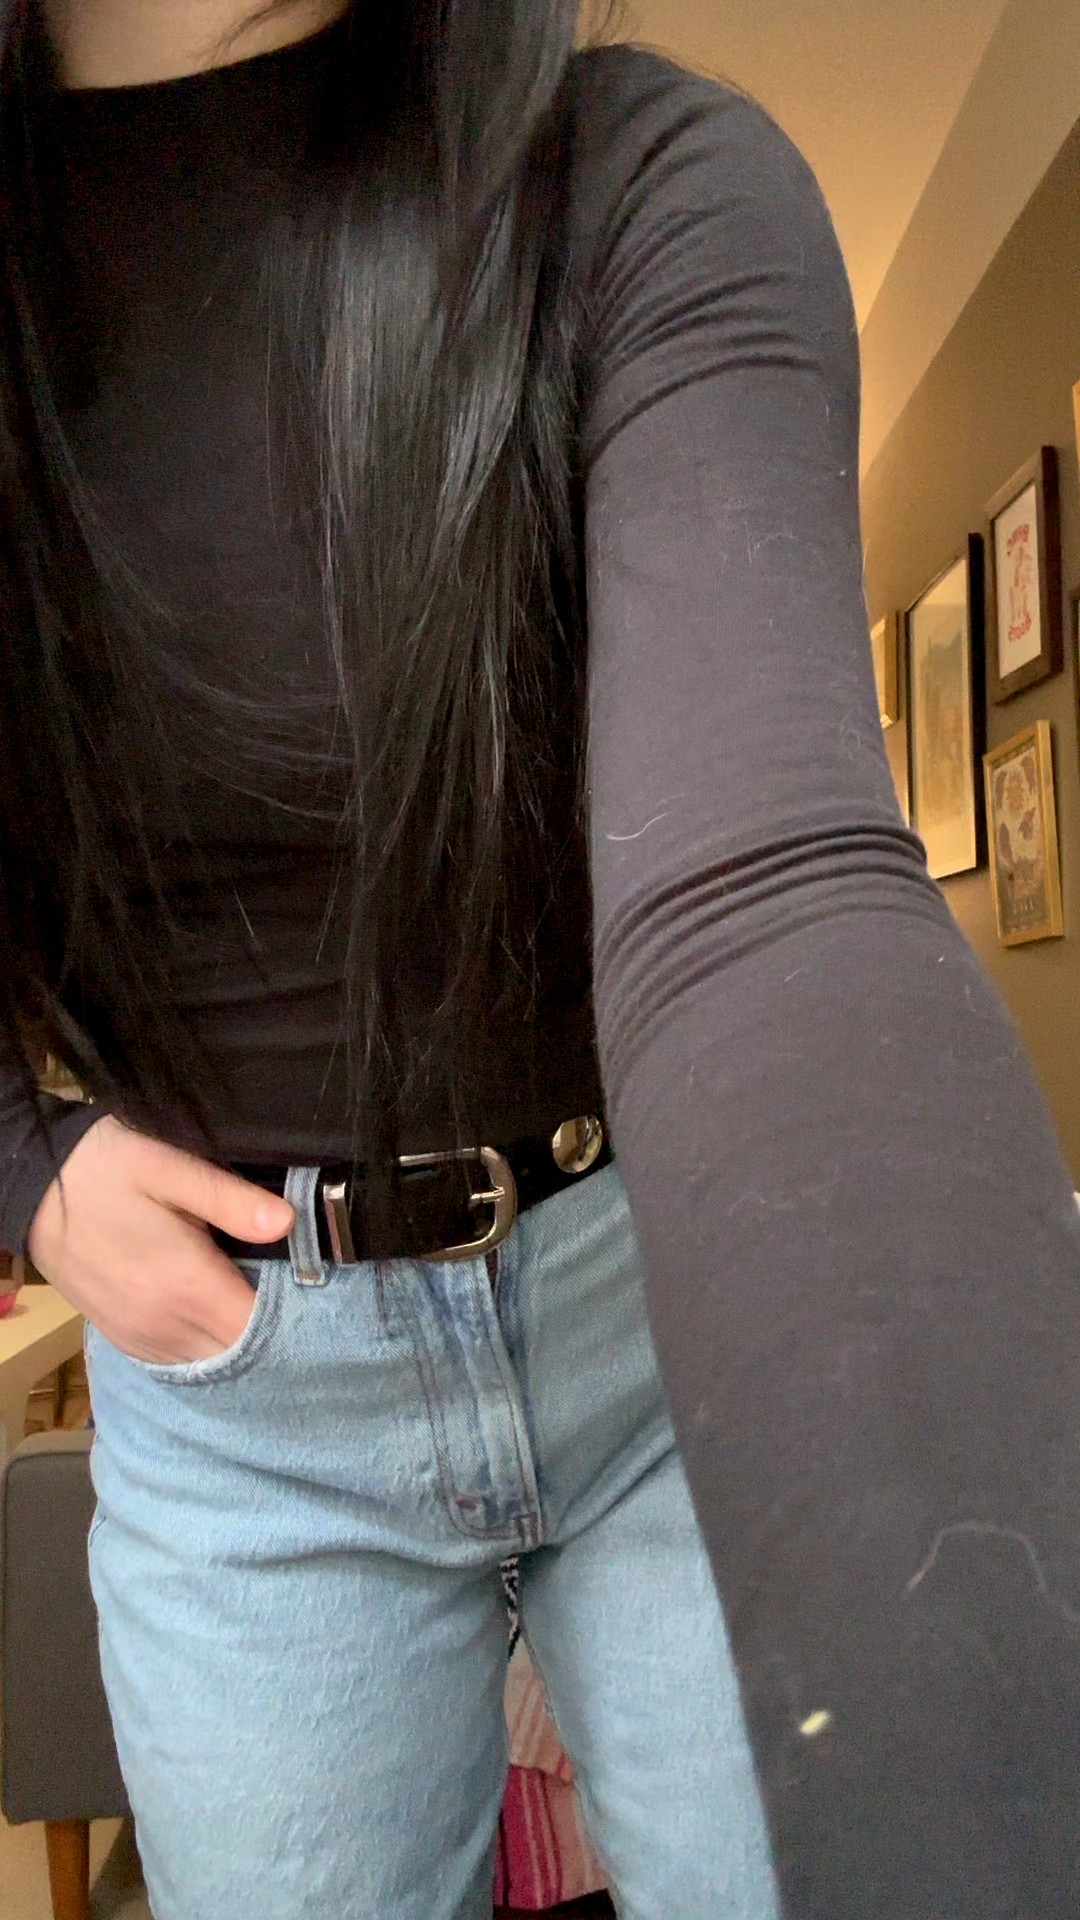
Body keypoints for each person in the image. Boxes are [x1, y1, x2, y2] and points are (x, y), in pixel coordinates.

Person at [4, 0, 1080, 1914]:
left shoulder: (643, 186)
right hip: (246, 1384)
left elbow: (768, 892)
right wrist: (21, 1168)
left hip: (653, 1301)